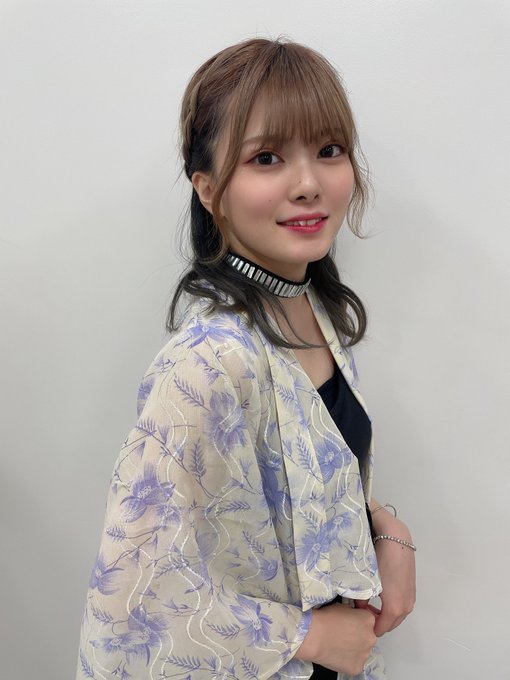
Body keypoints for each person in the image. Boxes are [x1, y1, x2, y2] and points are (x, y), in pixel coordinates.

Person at [76, 38, 416, 680]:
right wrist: (308, 635)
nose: (309, 184)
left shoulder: (316, 311)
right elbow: (130, 602)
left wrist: (387, 530)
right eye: (266, 158)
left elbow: (302, 488)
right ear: (208, 189)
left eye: (329, 150)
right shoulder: (206, 364)